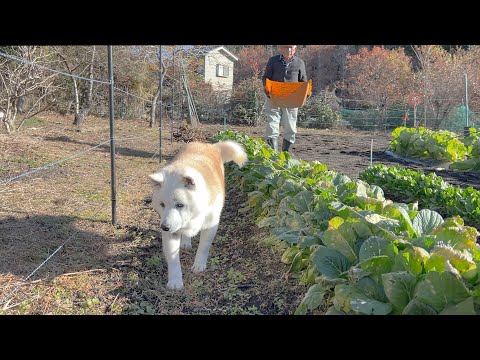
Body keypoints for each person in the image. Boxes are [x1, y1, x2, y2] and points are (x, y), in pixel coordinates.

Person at [262, 45, 307, 153]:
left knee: (290, 128)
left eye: (291, 47)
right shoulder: (273, 61)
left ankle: (285, 154)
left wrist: (305, 94)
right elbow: (265, 77)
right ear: (281, 48)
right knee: (272, 125)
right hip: (274, 97)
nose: (289, 50)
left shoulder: (299, 63)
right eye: (286, 47)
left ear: (295, 49)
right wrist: (267, 89)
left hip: (292, 99)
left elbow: (303, 81)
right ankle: (273, 153)